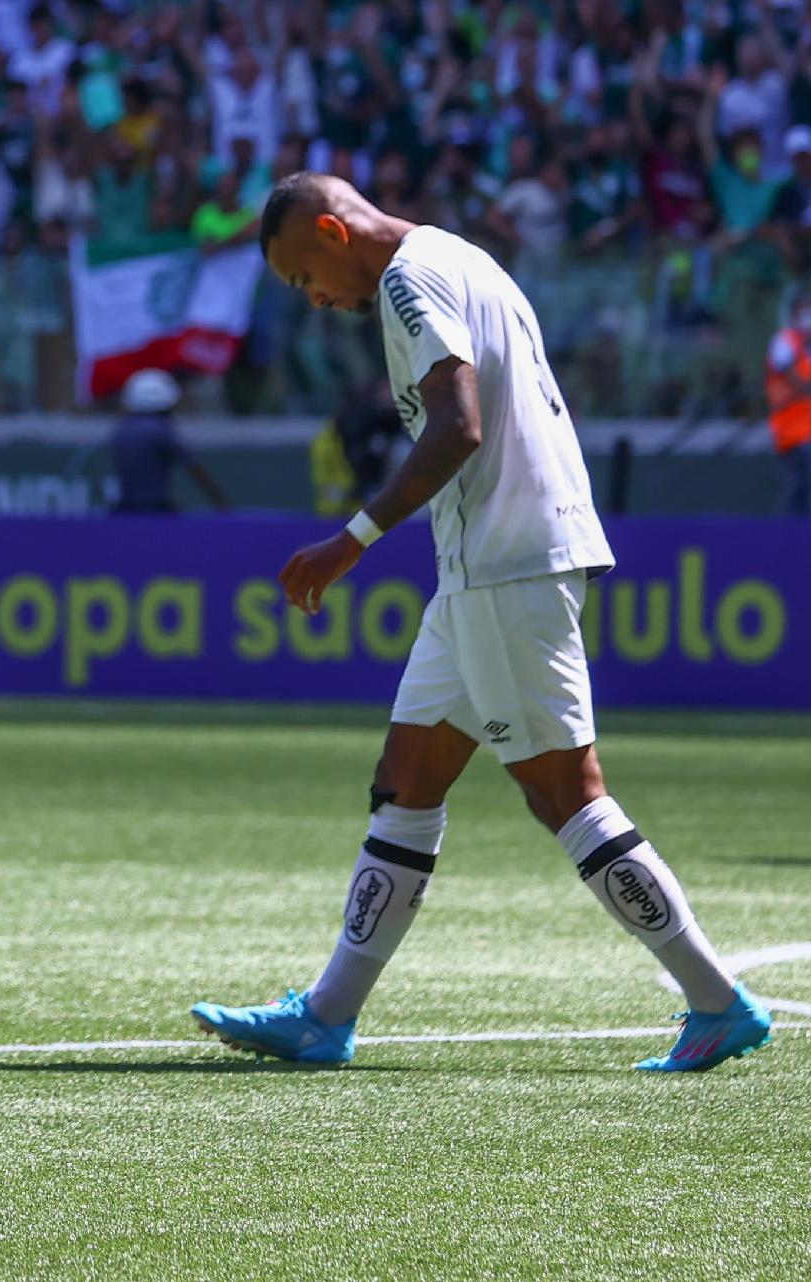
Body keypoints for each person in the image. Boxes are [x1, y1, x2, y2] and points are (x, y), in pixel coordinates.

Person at [190, 172, 773, 1073]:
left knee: (565, 794)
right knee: (408, 775)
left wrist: (351, 540)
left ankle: (715, 999)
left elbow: (457, 426)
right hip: (482, 569)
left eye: (305, 279)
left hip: (509, 562)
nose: (316, 302)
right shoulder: (456, 252)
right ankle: (327, 1016)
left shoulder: (403, 280)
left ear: (333, 234)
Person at [108, 369, 228, 513]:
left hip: (124, 510)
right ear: (166, 405)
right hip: (154, 511)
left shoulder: (121, 431)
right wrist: (221, 503)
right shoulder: (160, 431)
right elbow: (195, 469)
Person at [764, 294, 811, 517]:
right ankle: (785, 538)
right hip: (793, 432)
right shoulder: (784, 341)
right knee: (798, 488)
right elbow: (798, 383)